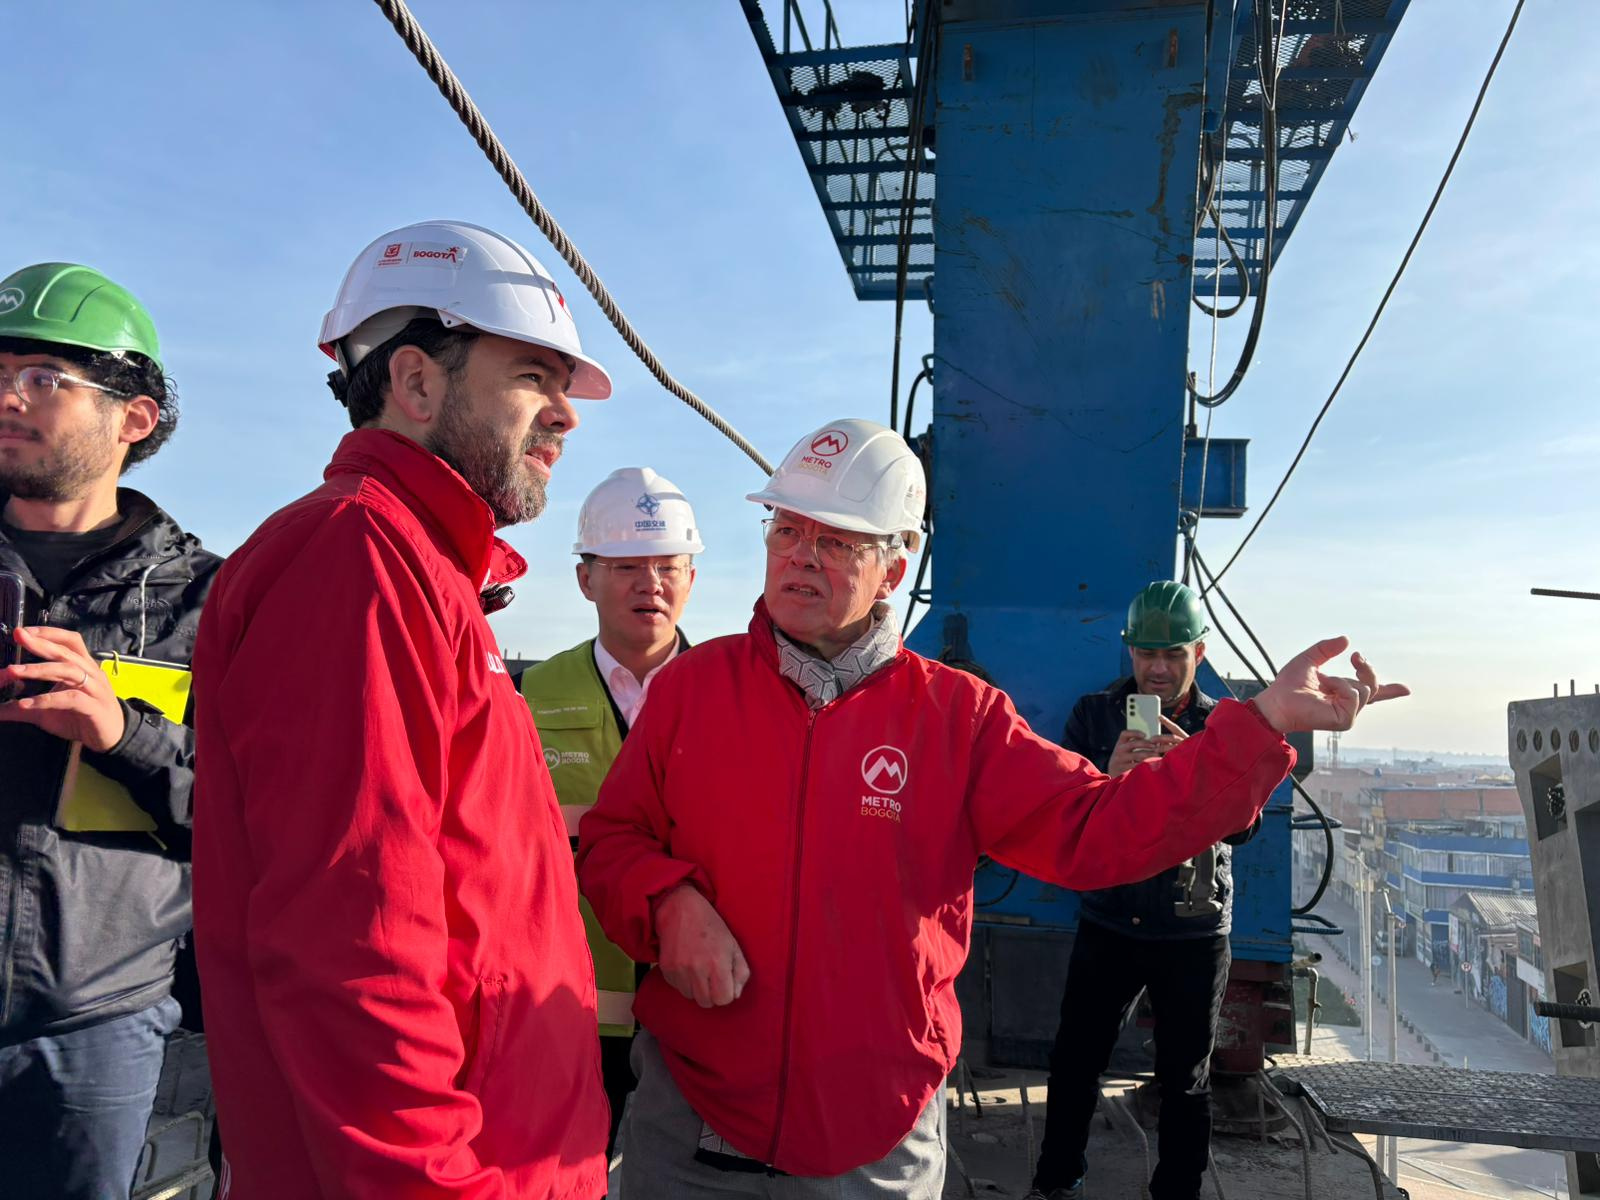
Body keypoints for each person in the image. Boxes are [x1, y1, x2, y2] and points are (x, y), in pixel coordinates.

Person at [577, 418, 1407, 1197]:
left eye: (835, 540)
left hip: (871, 1141)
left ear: (893, 572)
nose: (801, 556)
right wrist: (664, 899)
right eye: (787, 531)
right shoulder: (692, 690)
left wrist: (1260, 726)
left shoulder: (959, 719)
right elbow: (614, 839)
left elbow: (1098, 832)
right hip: (688, 1129)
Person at [192, 221, 613, 1199]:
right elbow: (353, 946)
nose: (567, 416)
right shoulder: (357, 563)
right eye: (533, 378)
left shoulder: (419, 573)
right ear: (417, 383)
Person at [0, 262, 220, 1199]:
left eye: (46, 376)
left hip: (95, 1027)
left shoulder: (209, 601)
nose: (9, 395)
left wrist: (120, 733)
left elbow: (249, 814)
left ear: (135, 417)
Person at [1026, 580, 1257, 1200]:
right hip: (1110, 918)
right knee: (1074, 1063)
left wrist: (1197, 772)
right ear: (1129, 653)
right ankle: (1056, 1183)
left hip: (1192, 929)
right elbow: (1064, 810)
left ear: (1199, 654)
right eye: (1147, 654)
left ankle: (1177, 1193)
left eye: (1173, 655)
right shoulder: (1094, 716)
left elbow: (1244, 829)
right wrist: (1108, 779)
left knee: (1185, 1077)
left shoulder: (1220, 726)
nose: (1158, 668)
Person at [517, 465, 703, 1152]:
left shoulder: (731, 697)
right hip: (557, 1010)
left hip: (692, 1016)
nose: (648, 583)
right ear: (585, 579)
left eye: (666, 566)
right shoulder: (528, 696)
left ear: (690, 579)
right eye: (625, 565)